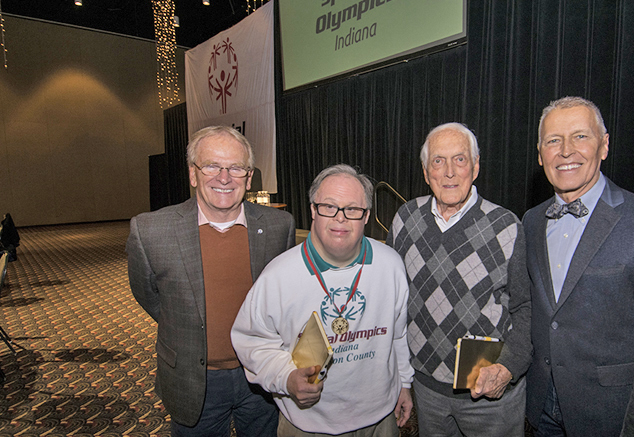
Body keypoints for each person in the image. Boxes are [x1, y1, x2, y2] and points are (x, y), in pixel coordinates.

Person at [523, 96, 634, 437]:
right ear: (540, 154)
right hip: (541, 409)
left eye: (580, 136)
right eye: (553, 140)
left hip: (611, 416)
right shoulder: (530, 221)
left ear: (604, 145)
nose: (566, 151)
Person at [126, 126, 295, 436]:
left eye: (235, 167)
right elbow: (148, 294)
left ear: (249, 176)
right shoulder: (151, 230)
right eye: (212, 166)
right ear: (193, 174)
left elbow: (282, 295)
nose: (224, 177)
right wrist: (184, 323)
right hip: (194, 379)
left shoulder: (278, 226)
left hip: (261, 374)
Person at [231, 164, 414, 437]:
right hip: (308, 423)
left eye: (352, 209)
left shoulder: (391, 265)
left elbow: (398, 335)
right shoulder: (279, 275)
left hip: (379, 419)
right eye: (329, 207)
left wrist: (405, 383)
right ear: (313, 211)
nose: (340, 218)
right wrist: (286, 378)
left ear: (366, 217)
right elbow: (252, 342)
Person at [386, 122, 532, 437]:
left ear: (476, 167)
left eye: (460, 159)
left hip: (490, 395)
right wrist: (402, 379)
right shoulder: (404, 221)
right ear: (426, 172)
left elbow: (526, 307)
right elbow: (393, 302)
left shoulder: (507, 226)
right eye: (438, 161)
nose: (449, 171)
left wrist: (509, 368)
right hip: (427, 392)